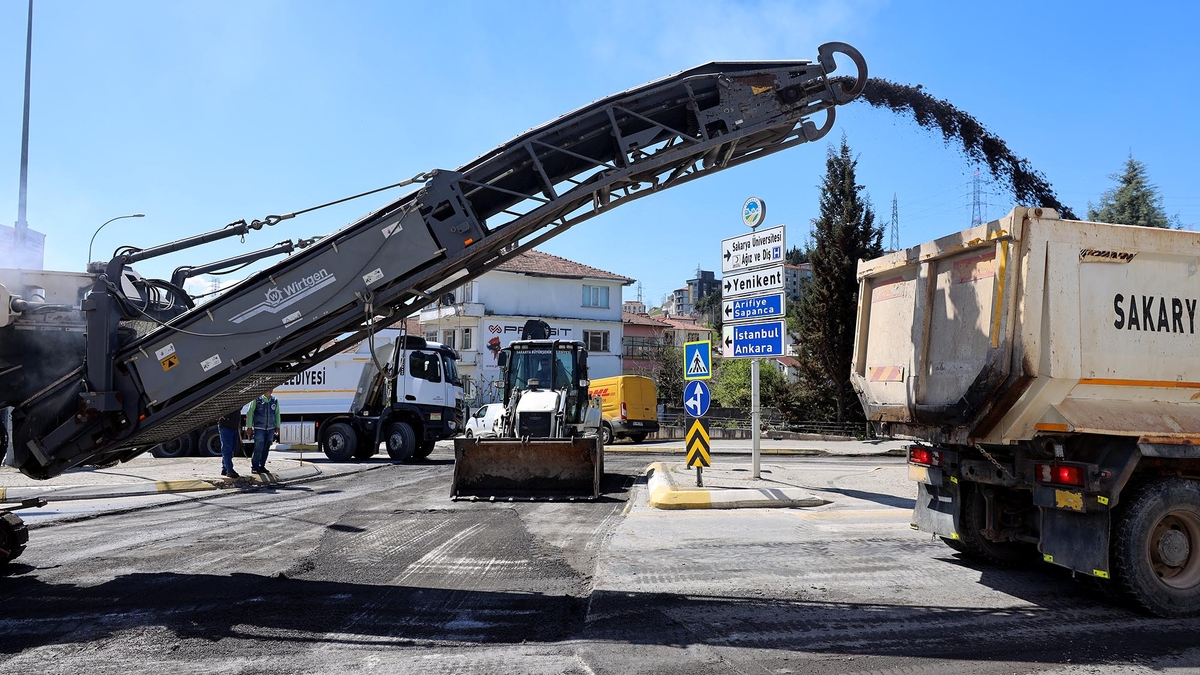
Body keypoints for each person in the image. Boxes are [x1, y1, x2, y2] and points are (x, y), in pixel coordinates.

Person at [245, 390, 281, 473]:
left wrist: (277, 426)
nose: (270, 390)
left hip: (270, 429)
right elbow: (250, 412)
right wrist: (249, 427)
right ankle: (255, 466)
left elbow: (277, 414)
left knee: (266, 448)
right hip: (259, 428)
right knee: (258, 447)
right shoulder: (257, 399)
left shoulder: (274, 400)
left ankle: (262, 466)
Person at [217, 409, 242, 478]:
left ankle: (225, 468)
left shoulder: (238, 401)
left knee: (232, 448)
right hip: (225, 426)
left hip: (234, 426)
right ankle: (229, 470)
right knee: (227, 449)